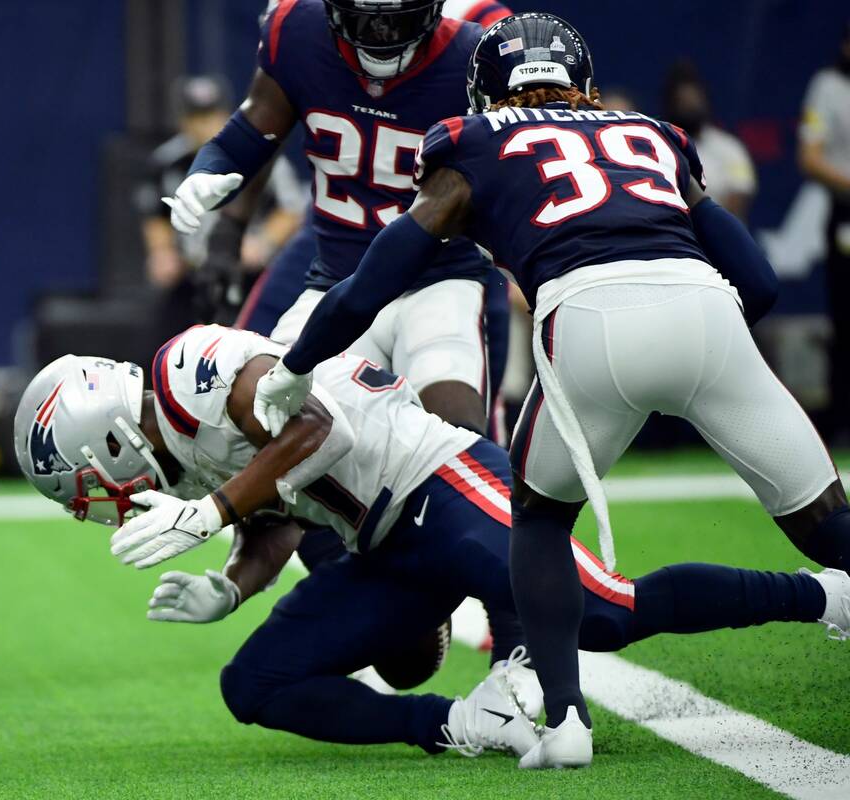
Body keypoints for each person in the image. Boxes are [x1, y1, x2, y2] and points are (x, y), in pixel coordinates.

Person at [252, 12, 850, 769]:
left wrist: (295, 365)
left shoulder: (471, 140)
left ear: (484, 90)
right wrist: (704, 345)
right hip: (706, 309)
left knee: (535, 523)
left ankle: (566, 721)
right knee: (826, 522)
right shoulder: (651, 133)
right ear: (584, 83)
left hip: (588, 319)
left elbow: (368, 285)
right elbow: (758, 282)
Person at [13, 324, 850, 761]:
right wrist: (232, 584)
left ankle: (823, 595)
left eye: (88, 485)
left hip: (439, 481)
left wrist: (213, 512)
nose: (101, 503)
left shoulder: (188, 371)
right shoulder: (180, 452)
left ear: (107, 439)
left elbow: (317, 429)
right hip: (383, 544)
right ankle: (457, 725)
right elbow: (275, 518)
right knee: (254, 683)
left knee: (604, 613)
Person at [163, 0, 513, 438]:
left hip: (440, 282)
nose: (380, 33)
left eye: (397, 19)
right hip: (335, 279)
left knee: (454, 434)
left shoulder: (480, 50)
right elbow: (251, 133)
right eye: (364, 17)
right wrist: (210, 175)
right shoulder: (299, 30)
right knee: (265, 424)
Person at [136, 75, 304, 333]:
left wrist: (263, 241)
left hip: (247, 274)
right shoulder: (167, 162)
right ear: (182, 121)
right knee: (169, 343)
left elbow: (291, 208)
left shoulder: (257, 155)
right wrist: (162, 251)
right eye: (196, 118)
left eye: (211, 116)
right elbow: (155, 213)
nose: (204, 125)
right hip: (192, 274)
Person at [799, 21, 850, 445]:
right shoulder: (829, 87)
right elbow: (810, 156)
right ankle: (842, 422)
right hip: (847, 211)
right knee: (846, 322)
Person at [662, 60, 756, 220]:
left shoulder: (730, 147)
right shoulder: (660, 146)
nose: (689, 107)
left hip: (718, 230)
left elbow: (739, 194)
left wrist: (711, 228)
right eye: (682, 101)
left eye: (693, 101)